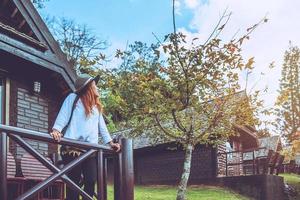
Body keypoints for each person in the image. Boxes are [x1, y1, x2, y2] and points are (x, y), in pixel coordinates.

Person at [50, 74, 121, 200]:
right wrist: (56, 130)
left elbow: (102, 128)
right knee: (74, 182)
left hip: (89, 150)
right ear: (87, 88)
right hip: (71, 148)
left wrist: (110, 143)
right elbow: (63, 116)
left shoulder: (97, 107)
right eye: (94, 86)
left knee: (91, 180)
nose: (97, 88)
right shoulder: (73, 98)